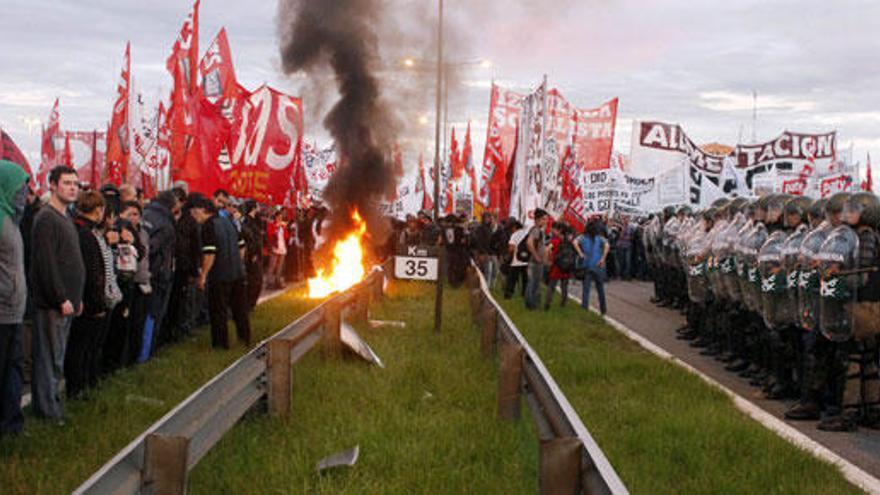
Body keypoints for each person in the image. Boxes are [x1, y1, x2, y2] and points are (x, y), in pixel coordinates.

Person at [29, 165, 85, 422]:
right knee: (49, 359)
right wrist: (61, 297)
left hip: (68, 302)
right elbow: (46, 263)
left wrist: (77, 297)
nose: (73, 187)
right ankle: (47, 412)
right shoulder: (46, 218)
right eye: (66, 183)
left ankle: (52, 404)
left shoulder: (65, 217)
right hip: (53, 304)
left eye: (75, 183)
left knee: (57, 358)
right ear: (52, 185)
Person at [65, 191, 122, 399]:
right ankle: (78, 388)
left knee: (90, 346)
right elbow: (92, 272)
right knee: (83, 346)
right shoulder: (86, 235)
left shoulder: (90, 232)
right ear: (98, 209)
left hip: (95, 298)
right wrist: (97, 303)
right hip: (91, 302)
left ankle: (87, 382)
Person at [0, 161, 30, 436]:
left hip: (14, 310)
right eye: (20, 187)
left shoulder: (11, 219)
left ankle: (11, 424)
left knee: (13, 368)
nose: (24, 194)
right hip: (2, 311)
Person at [198, 199, 251, 349]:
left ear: (201, 210)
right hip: (237, 272)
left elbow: (210, 254)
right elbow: (242, 247)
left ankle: (221, 344)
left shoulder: (209, 225)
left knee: (218, 310)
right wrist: (236, 262)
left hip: (219, 275)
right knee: (240, 308)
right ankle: (245, 338)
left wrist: (203, 275)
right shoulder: (229, 222)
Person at [139, 191, 179, 361]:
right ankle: (145, 356)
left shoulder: (144, 213)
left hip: (140, 274)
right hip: (157, 276)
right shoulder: (166, 224)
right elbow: (153, 249)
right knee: (153, 316)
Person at [575, 220, 609, 315]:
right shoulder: (600, 238)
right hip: (598, 265)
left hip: (587, 265)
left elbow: (574, 242)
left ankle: (585, 308)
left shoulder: (583, 237)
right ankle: (603, 309)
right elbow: (607, 245)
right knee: (600, 288)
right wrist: (603, 258)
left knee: (586, 289)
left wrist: (580, 253)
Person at [239, 200, 264, 310]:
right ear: (253, 208)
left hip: (257, 254)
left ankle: (251, 303)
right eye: (257, 205)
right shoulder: (247, 221)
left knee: (257, 280)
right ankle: (248, 304)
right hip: (251, 255)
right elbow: (249, 239)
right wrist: (253, 253)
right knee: (254, 280)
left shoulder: (256, 221)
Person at [545, 222, 575, 309]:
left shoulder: (555, 240)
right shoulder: (569, 240)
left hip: (556, 266)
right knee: (564, 286)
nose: (553, 231)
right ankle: (563, 303)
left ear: (559, 230)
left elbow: (547, 249)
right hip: (566, 267)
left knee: (551, 286)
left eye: (555, 229)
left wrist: (548, 260)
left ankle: (547, 304)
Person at [524, 209, 549, 310]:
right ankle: (532, 305)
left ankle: (531, 305)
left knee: (533, 283)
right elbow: (529, 243)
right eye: (544, 219)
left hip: (536, 261)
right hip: (535, 262)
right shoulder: (535, 230)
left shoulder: (538, 230)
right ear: (538, 220)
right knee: (533, 284)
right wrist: (536, 256)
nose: (546, 221)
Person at [504, 220, 528, 299]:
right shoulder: (526, 233)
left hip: (516, 261)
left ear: (514, 227)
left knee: (512, 279)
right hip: (526, 260)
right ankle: (524, 294)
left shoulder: (515, 234)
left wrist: (508, 254)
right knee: (525, 280)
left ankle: (508, 295)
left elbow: (511, 248)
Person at [266, 210, 288, 289]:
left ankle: (278, 281)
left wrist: (284, 228)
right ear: (275, 217)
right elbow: (269, 234)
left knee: (280, 266)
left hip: (282, 247)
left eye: (281, 218)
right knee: (272, 266)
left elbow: (285, 236)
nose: (280, 219)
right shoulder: (271, 225)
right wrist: (276, 226)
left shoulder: (282, 226)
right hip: (274, 248)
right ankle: (269, 282)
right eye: (278, 217)